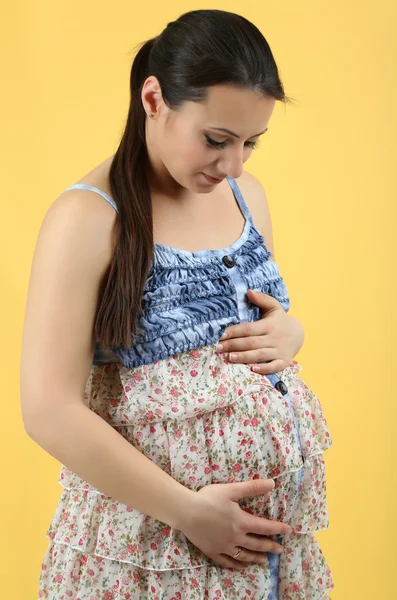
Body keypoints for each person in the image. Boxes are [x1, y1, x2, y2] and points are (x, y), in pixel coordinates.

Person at [20, 8, 334, 599]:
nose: (234, 165)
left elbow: (259, 321)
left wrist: (291, 334)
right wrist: (189, 512)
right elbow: (48, 409)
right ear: (154, 98)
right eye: (216, 140)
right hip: (147, 554)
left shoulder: (246, 197)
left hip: (260, 555)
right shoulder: (88, 219)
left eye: (250, 143)